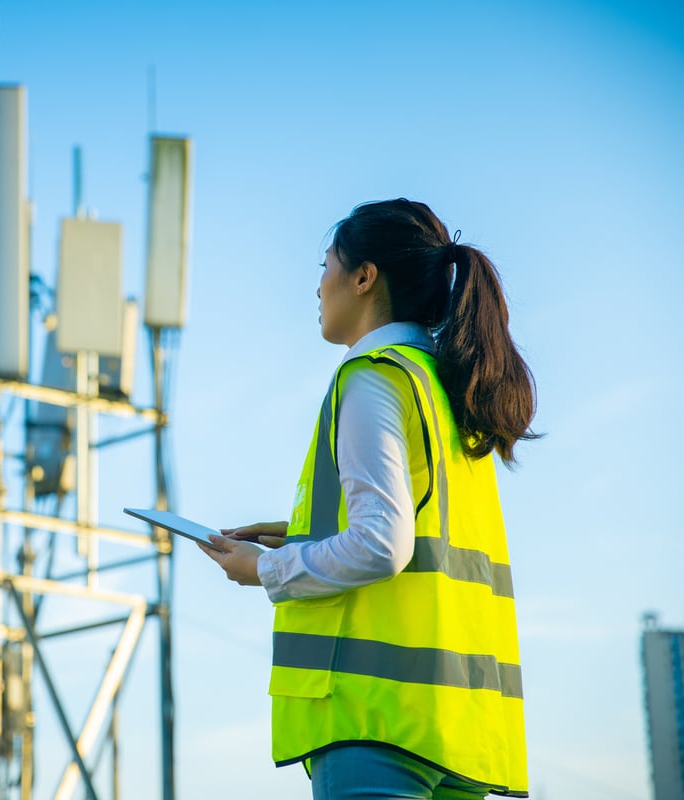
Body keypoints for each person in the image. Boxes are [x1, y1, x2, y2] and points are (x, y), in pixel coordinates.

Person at [201, 199, 535, 799]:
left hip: (376, 726)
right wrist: (300, 534)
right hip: (458, 730)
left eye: (326, 264)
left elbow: (384, 543)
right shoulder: (448, 390)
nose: (319, 283)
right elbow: (423, 528)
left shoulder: (375, 376)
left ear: (363, 277)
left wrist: (266, 569)